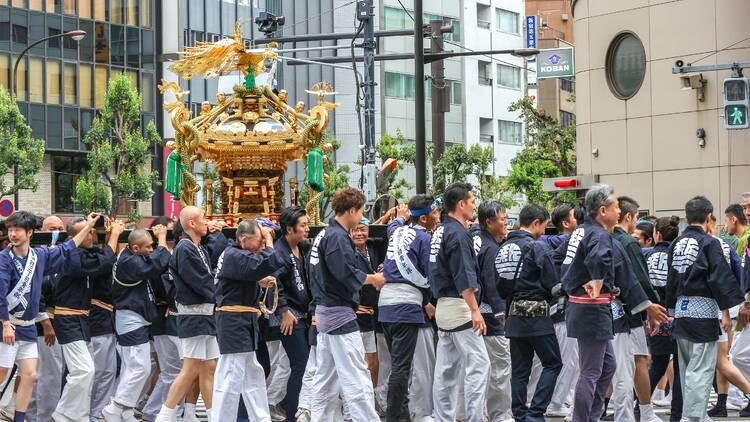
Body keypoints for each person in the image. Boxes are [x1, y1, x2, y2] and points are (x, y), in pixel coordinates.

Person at [561, 185, 668, 422]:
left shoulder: (594, 233)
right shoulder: (598, 235)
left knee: (607, 367)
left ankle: (593, 415)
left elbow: (625, 276)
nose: (619, 210)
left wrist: (647, 306)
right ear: (602, 210)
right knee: (590, 371)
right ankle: (583, 418)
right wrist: (597, 281)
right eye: (615, 206)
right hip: (590, 308)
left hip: (592, 309)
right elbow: (599, 260)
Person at [0, 211, 101, 422]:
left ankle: (18, 418)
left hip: (27, 326)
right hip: (7, 325)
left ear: (30, 233)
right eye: (10, 230)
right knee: (2, 374)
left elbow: (69, 247)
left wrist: (88, 225)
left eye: (17, 230)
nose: (13, 234)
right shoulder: (3, 259)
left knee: (29, 375)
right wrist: (6, 323)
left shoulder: (39, 256)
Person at [308, 188, 385, 422]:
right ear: (352, 210)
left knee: (326, 379)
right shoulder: (337, 237)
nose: (361, 217)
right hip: (338, 313)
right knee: (357, 377)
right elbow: (344, 272)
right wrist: (372, 279)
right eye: (361, 212)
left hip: (326, 312)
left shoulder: (325, 234)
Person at [666, 196, 745, 422]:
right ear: (709, 216)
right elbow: (720, 278)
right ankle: (692, 417)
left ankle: (695, 415)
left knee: (687, 366)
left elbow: (671, 281)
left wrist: (670, 311)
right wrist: (728, 307)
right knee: (700, 370)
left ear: (685, 218)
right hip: (703, 313)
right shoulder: (710, 243)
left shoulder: (676, 244)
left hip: (681, 312)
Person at [211, 220, 290, 421]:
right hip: (233, 321)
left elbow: (251, 272)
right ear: (244, 239)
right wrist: (271, 241)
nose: (262, 244)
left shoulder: (237, 255)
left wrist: (257, 281)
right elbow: (264, 264)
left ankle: (260, 417)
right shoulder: (233, 254)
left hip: (242, 320)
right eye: (259, 240)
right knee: (230, 373)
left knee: (253, 373)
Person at [155, 206, 227, 422]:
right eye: (203, 218)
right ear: (191, 224)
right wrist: (223, 296)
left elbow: (209, 272)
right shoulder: (184, 249)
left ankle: (215, 417)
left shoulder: (199, 248)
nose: (207, 222)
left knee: (209, 367)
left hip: (205, 315)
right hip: (193, 315)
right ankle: (164, 416)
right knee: (191, 368)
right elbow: (202, 282)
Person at [52, 215, 123, 422]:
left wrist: (110, 234)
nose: (91, 235)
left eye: (92, 231)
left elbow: (103, 259)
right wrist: (115, 235)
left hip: (82, 320)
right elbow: (105, 261)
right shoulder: (68, 255)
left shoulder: (83, 254)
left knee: (86, 373)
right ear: (73, 237)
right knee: (84, 370)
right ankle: (64, 413)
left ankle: (79, 415)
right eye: (87, 231)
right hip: (67, 320)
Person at [430, 182, 489, 422]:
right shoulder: (458, 233)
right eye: (473, 201)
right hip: (459, 307)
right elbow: (463, 274)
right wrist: (475, 310)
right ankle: (474, 417)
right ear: (461, 204)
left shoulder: (441, 230)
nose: (474, 205)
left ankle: (443, 418)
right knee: (479, 365)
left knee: (446, 371)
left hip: (444, 306)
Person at [496, 204, 561, 422]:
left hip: (514, 316)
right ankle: (535, 413)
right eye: (543, 226)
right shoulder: (536, 247)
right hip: (537, 316)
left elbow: (500, 286)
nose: (543, 231)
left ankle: (520, 415)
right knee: (553, 363)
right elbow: (553, 283)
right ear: (535, 223)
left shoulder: (504, 247)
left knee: (520, 370)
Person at [378, 196, 437, 422]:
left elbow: (392, 226)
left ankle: (402, 415)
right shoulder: (423, 237)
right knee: (402, 368)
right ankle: (393, 417)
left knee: (398, 364)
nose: (437, 216)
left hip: (386, 305)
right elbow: (427, 273)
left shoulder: (397, 232)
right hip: (405, 306)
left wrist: (400, 217)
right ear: (423, 218)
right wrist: (429, 300)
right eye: (434, 213)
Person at [610, 196, 661, 422]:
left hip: (606, 309)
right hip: (629, 311)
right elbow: (640, 279)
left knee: (607, 365)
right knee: (638, 360)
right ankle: (644, 413)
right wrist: (651, 309)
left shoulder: (602, 238)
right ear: (628, 216)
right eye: (637, 216)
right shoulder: (629, 242)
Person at [469, 200, 510, 422]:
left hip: (469, 312)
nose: (506, 223)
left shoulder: (473, 238)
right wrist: (501, 312)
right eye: (503, 219)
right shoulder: (491, 248)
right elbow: (491, 284)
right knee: (499, 366)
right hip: (488, 316)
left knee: (474, 366)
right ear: (488, 222)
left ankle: (472, 412)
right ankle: (500, 414)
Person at [543, 204, 583, 418]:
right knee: (569, 358)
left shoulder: (553, 242)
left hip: (560, 307)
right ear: (567, 224)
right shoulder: (563, 241)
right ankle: (557, 401)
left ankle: (563, 399)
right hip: (563, 307)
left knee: (572, 359)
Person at [26, 216, 66, 422]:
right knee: (49, 374)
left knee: (44, 374)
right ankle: (43, 418)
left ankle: (32, 416)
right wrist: (46, 322)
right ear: (42, 230)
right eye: (52, 228)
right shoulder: (36, 255)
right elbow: (35, 291)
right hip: (43, 323)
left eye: (60, 228)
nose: (57, 232)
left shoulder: (63, 254)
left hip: (63, 320)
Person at [274, 206, 312, 421]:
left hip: (304, 313)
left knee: (305, 365)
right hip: (289, 315)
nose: (307, 229)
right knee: (301, 364)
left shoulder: (303, 248)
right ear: (289, 229)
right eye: (303, 225)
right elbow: (274, 282)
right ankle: (291, 413)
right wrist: (284, 311)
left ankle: (289, 405)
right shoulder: (279, 251)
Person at [645, 216, 683, 422]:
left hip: (655, 315)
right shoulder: (676, 256)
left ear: (657, 234)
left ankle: (638, 407)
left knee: (657, 363)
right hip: (676, 314)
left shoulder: (648, 256)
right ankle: (677, 414)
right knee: (680, 364)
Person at [351, 217, 381, 387]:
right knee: (357, 361)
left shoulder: (373, 247)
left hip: (372, 312)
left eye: (363, 229)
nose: (359, 233)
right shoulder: (347, 252)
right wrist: (353, 306)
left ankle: (371, 397)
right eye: (355, 229)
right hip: (355, 313)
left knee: (372, 359)